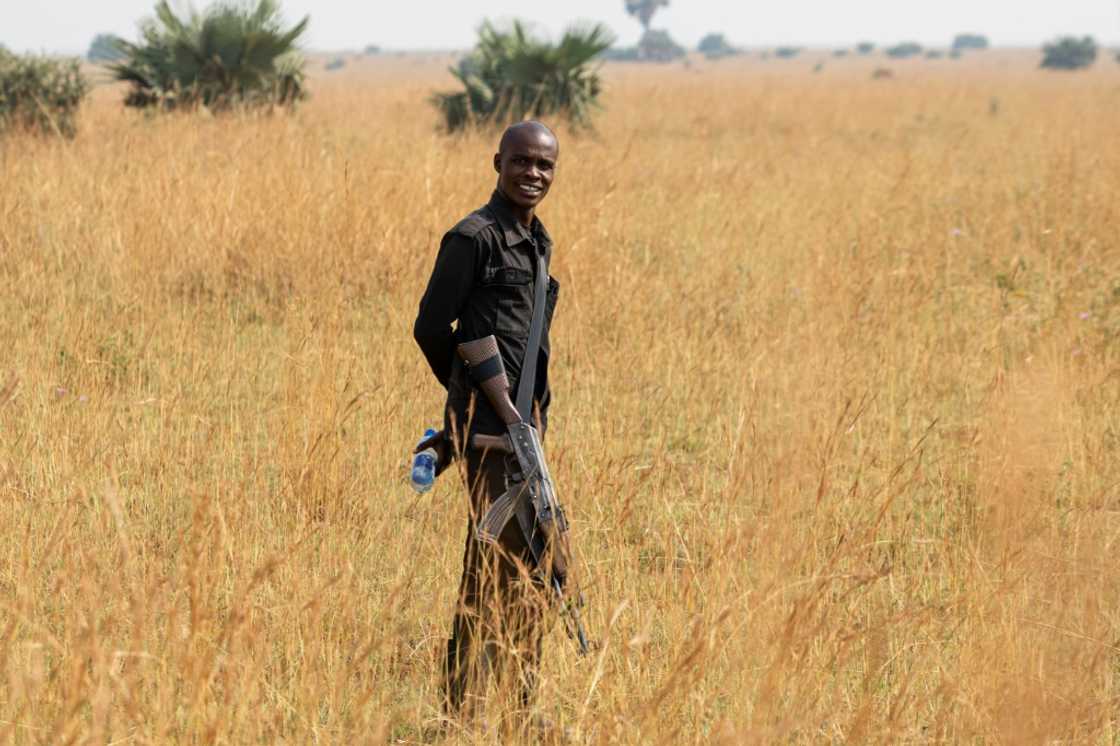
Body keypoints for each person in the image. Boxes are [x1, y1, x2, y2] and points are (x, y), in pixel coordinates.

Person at [413, 121, 562, 722]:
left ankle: (522, 707)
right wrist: (471, 394)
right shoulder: (474, 238)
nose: (533, 173)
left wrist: (526, 419)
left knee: (536, 568)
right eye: (521, 161)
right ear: (497, 162)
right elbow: (430, 327)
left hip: (525, 435)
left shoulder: (536, 239)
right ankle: (459, 713)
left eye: (544, 165)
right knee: (487, 572)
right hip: (487, 434)